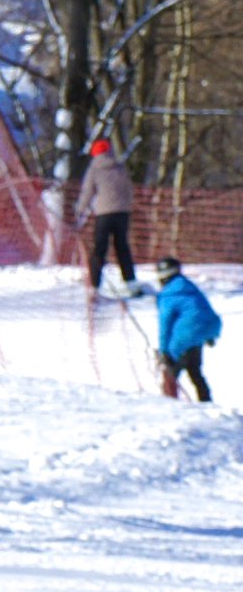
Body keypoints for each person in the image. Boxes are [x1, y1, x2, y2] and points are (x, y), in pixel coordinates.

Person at [74, 136, 140, 297]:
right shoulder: (120, 167)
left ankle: (94, 284)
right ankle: (130, 282)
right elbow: (129, 189)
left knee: (99, 249)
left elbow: (87, 192)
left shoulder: (94, 169)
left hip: (103, 214)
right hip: (122, 213)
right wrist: (127, 206)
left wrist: (79, 210)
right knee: (122, 247)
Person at [154, 256, 222, 402]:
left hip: (182, 340)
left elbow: (165, 325)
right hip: (197, 339)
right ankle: (206, 402)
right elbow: (205, 313)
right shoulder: (190, 288)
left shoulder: (168, 295)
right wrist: (210, 335)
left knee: (171, 375)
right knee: (195, 372)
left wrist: (164, 350)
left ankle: (169, 404)